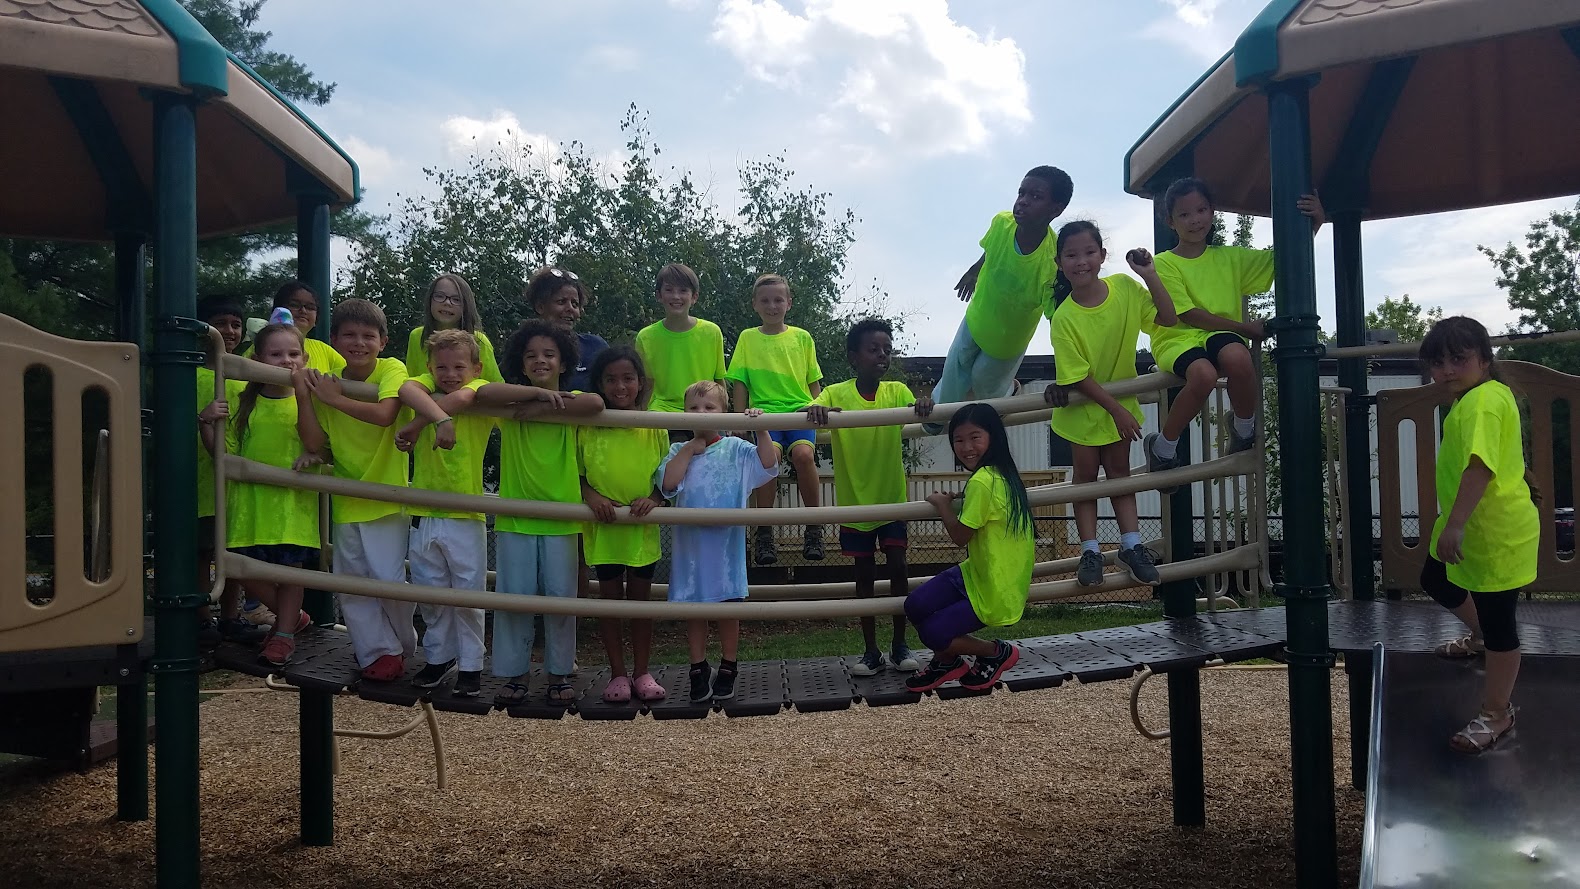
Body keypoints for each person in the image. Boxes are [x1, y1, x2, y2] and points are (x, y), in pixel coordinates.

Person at [298, 299, 454, 682]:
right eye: (349, 335)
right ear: (334, 339)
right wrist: (306, 396)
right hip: (347, 497)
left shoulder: (391, 368)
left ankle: (401, 642)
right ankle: (376, 652)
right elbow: (317, 443)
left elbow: (386, 415)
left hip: (386, 496)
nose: (359, 343)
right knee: (351, 585)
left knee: (386, 580)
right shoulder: (329, 376)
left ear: (383, 341)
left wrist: (334, 399)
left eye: (368, 336)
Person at [1145, 178, 1324, 489]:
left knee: (1239, 359)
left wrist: (1316, 222)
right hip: (1178, 336)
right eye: (1185, 214)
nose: (1195, 219)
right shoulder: (1164, 263)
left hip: (1220, 334)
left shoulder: (1230, 257)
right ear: (1169, 221)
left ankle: (1243, 429)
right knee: (1203, 376)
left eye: (1201, 210)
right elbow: (1188, 314)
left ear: (1213, 213)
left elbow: (1283, 259)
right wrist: (1246, 328)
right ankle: (1163, 447)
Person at [1419, 316, 1538, 754]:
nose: (1447, 369)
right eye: (1438, 362)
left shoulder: (1484, 401)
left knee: (1501, 623)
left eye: (1459, 358)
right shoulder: (1477, 398)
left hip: (1492, 531)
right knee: (1435, 578)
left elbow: (1481, 466)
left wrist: (1455, 525)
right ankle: (1480, 636)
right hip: (1471, 520)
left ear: (1485, 360)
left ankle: (1497, 714)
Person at [474, 320, 606, 707]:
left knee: (561, 600)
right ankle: (514, 674)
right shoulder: (511, 405)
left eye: (549, 355)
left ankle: (559, 673)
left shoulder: (571, 403)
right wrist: (531, 397)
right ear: (521, 362)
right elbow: (483, 391)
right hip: (517, 516)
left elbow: (596, 403)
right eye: (531, 355)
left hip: (562, 519)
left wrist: (544, 404)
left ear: (564, 363)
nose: (540, 361)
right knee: (515, 599)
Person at [1042, 221, 1176, 588]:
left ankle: (1131, 545)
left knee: (1119, 474)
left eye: (1089, 252)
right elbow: (1079, 377)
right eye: (1071, 254)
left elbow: (1167, 317)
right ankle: (1089, 549)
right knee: (1085, 477)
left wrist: (1149, 275)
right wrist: (1116, 409)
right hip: (1085, 411)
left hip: (1119, 406)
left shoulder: (1125, 288)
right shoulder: (1065, 317)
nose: (1081, 261)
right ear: (1059, 262)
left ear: (1102, 255)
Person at [805, 318, 934, 674]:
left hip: (891, 498)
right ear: (853, 357)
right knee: (864, 577)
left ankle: (900, 644)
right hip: (855, 503)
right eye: (873, 349)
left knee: (898, 569)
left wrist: (924, 404)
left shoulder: (896, 391)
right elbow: (810, 408)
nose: (882, 355)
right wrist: (815, 409)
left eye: (887, 350)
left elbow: (923, 410)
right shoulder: (836, 392)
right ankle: (871, 650)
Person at [203, 318, 321, 666]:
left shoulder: (309, 400)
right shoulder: (244, 402)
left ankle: (283, 635)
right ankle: (291, 617)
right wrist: (205, 423)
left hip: (292, 503)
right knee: (240, 569)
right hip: (249, 503)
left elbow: (323, 443)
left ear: (305, 359)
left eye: (294, 353)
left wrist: (315, 453)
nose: (287, 361)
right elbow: (222, 454)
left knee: (291, 571)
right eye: (276, 354)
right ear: (257, 359)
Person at [925, 166, 1073, 434]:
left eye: (1036, 197)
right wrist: (974, 271)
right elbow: (989, 252)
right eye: (1021, 192)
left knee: (986, 385)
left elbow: (1058, 322)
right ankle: (936, 416)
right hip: (978, 316)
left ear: (1056, 209)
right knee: (955, 367)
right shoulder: (1001, 223)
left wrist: (1066, 376)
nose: (1023, 201)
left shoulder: (1052, 261)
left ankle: (1009, 390)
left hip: (1007, 341)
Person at [393, 329, 500, 699]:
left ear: (476, 367)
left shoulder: (480, 388)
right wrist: (440, 419)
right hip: (424, 510)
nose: (450, 373)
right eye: (441, 367)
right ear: (429, 367)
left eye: (459, 366)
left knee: (468, 594)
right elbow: (407, 388)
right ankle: (439, 657)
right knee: (431, 593)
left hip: (465, 512)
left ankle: (472, 664)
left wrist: (423, 420)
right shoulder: (421, 386)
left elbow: (464, 396)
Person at [657, 380, 778, 704]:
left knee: (728, 607)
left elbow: (768, 464)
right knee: (694, 609)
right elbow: (668, 483)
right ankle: (697, 667)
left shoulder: (736, 449)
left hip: (726, 546)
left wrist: (760, 428)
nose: (701, 413)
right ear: (683, 414)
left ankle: (728, 665)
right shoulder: (676, 451)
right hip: (691, 548)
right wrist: (687, 450)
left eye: (710, 407)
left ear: (725, 413)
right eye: (694, 408)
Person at [905, 403, 1036, 693]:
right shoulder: (1001, 475)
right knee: (915, 605)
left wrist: (942, 506)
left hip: (995, 587)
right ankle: (946, 662)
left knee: (932, 631)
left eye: (975, 437)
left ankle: (994, 652)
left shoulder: (984, 480)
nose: (966, 447)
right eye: (959, 440)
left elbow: (960, 536)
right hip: (978, 572)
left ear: (993, 437)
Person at [578, 346, 669, 703]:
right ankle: (617, 672)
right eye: (611, 379)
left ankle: (642, 670)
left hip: (641, 528)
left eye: (628, 378)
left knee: (641, 604)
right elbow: (579, 474)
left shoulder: (654, 424)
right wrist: (591, 497)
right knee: (610, 603)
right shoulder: (589, 426)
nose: (620, 386)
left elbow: (668, 475)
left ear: (640, 382)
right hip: (604, 527)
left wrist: (656, 498)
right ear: (600, 383)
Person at [726, 274, 825, 564]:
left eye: (778, 299)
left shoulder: (802, 337)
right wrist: (739, 423)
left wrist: (819, 407)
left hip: (799, 411)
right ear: (755, 304)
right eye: (765, 300)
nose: (772, 306)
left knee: (804, 456)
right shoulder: (748, 337)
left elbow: (813, 381)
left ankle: (814, 526)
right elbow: (740, 382)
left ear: (789, 303)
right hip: (763, 415)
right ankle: (765, 533)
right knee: (767, 463)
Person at [195, 294, 265, 647]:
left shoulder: (245, 376)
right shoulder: (189, 374)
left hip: (236, 480)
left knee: (235, 551)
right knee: (202, 552)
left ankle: (231, 616)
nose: (229, 331)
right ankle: (201, 617)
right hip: (200, 481)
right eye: (221, 323)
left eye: (236, 324)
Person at [635, 262, 726, 417]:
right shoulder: (645, 337)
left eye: (683, 290)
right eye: (669, 290)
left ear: (694, 297)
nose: (676, 296)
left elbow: (719, 380)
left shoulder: (712, 332)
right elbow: (646, 386)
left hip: (704, 411)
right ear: (659, 295)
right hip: (662, 413)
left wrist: (727, 419)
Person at [403, 273, 503, 383]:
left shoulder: (479, 340)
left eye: (456, 299)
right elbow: (411, 379)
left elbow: (495, 386)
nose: (447, 303)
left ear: (466, 305)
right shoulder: (417, 336)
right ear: (430, 300)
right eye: (440, 296)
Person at [527, 266, 606, 392]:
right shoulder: (523, 347)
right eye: (561, 302)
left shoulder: (595, 347)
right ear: (540, 307)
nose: (570, 309)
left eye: (575, 304)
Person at [243, 280, 346, 375]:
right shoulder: (260, 346)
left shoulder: (325, 351)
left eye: (310, 307)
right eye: (295, 305)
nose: (303, 311)